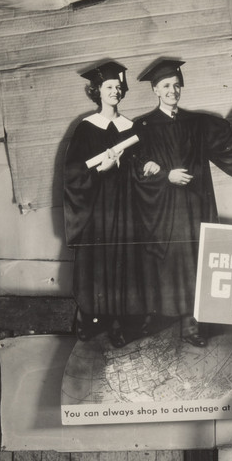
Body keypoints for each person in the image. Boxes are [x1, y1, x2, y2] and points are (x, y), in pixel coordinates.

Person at [131, 58, 232, 346]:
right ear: (156, 90)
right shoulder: (142, 126)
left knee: (198, 259)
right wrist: (165, 176)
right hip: (162, 208)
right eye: (166, 86)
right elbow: (134, 165)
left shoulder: (196, 122)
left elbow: (229, 142)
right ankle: (162, 316)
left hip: (197, 205)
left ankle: (192, 324)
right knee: (168, 262)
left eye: (176, 85)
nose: (173, 90)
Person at [62, 60, 144, 348]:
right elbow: (72, 174)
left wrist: (131, 166)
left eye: (118, 87)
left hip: (126, 207)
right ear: (96, 91)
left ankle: (124, 321)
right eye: (109, 87)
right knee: (98, 262)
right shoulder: (85, 128)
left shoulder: (131, 127)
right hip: (97, 209)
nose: (115, 91)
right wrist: (100, 170)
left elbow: (139, 166)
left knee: (126, 262)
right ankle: (95, 320)